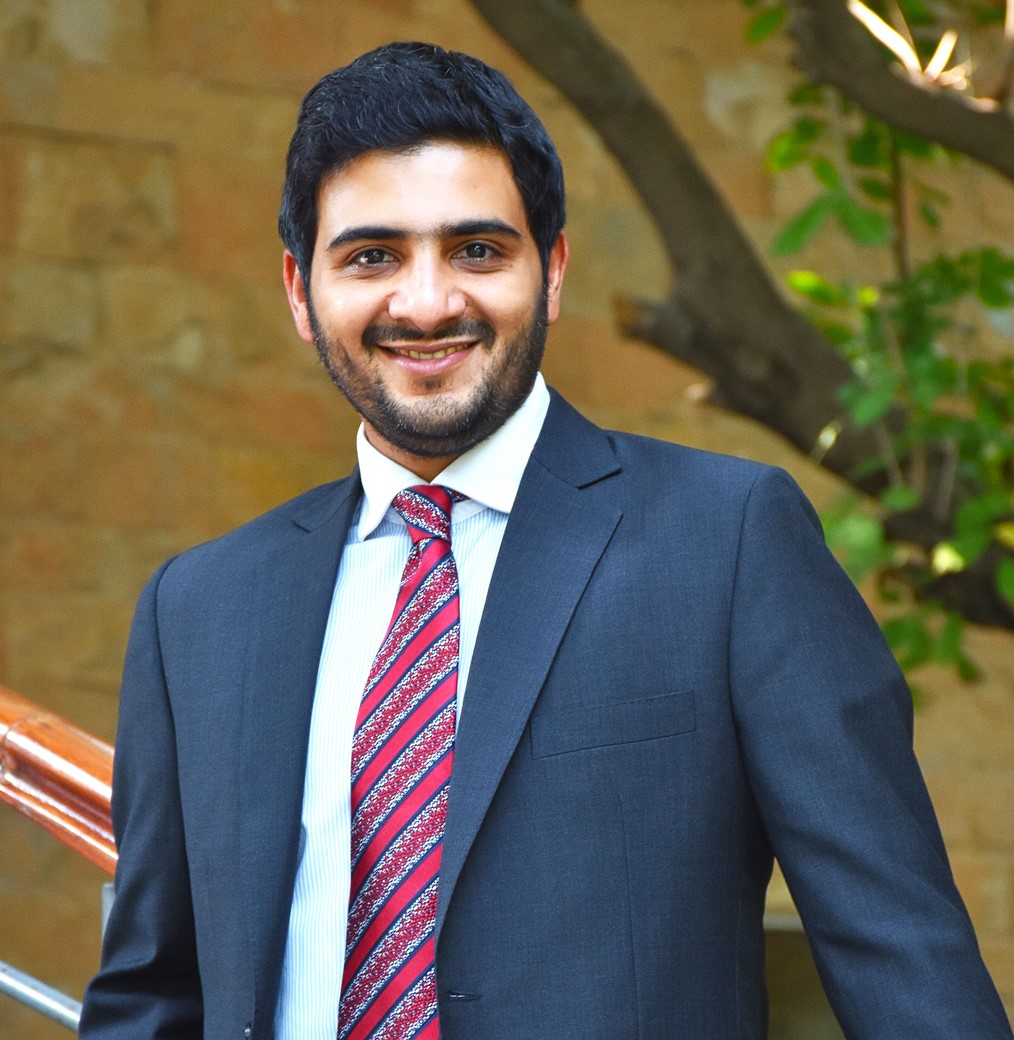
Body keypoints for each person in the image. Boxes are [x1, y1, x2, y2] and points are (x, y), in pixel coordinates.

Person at [79, 41, 1012, 1040]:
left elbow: (899, 953)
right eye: (371, 256)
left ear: (553, 271)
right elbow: (153, 993)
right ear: (300, 291)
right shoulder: (197, 609)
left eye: (477, 250)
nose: (427, 303)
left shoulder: (729, 542)